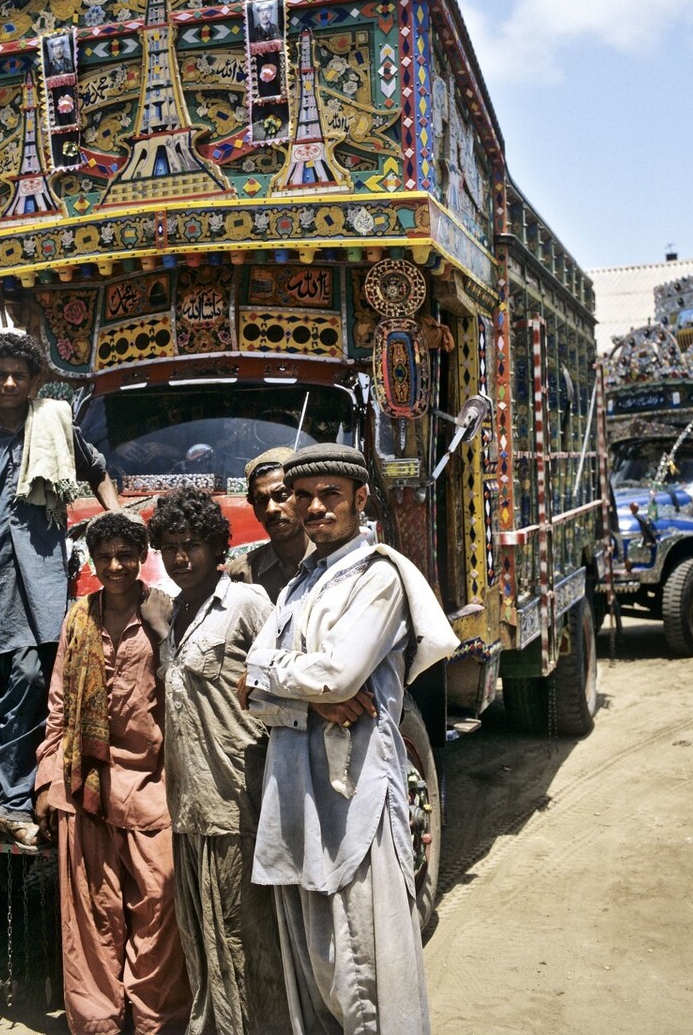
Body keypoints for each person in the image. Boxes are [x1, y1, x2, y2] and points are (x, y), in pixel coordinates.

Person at [241, 444, 457, 1035]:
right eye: (303, 496)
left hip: (353, 793)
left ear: (361, 500)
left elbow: (337, 673)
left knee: (364, 970)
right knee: (316, 970)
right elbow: (250, 688)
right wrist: (310, 695)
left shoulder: (379, 577)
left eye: (329, 494)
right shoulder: (298, 585)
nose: (314, 507)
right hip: (296, 793)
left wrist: (290, 682)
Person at [0, 330, 120, 859]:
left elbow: (98, 470)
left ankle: (14, 807)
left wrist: (117, 520)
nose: (11, 382)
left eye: (20, 373)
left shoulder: (56, 426)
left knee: (28, 692)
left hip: (38, 584)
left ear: (36, 379)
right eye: (1, 375)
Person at [34, 511, 191, 1035]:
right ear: (93, 562)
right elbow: (59, 705)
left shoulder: (163, 611)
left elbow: (185, 700)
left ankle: (156, 1021)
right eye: (105, 557)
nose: (116, 565)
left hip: (153, 786)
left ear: (143, 556)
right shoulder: (79, 618)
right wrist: (50, 779)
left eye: (126, 554)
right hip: (88, 788)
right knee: (93, 914)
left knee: (159, 905)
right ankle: (99, 1021)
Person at [147, 485, 289, 1035]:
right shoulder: (176, 612)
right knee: (203, 938)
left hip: (240, 803)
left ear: (216, 548)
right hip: (190, 807)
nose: (182, 558)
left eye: (194, 546)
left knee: (248, 939)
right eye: (172, 547)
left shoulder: (248, 604)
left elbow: (284, 679)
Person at [227, 447, 313, 604]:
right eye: (261, 501)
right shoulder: (243, 573)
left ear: (303, 498)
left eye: (282, 496)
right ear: (254, 510)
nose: (271, 509)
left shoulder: (330, 559)